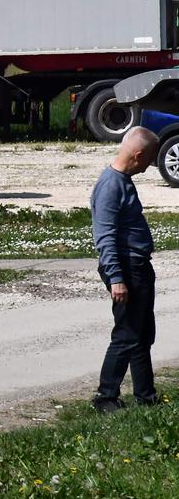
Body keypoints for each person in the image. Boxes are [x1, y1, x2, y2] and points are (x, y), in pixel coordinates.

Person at [91, 126, 161, 413]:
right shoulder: (111, 185)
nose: (151, 164)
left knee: (142, 334)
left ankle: (146, 396)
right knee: (127, 334)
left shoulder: (123, 181)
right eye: (151, 157)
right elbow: (104, 236)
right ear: (139, 154)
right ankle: (105, 397)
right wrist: (117, 279)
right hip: (126, 268)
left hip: (137, 266)